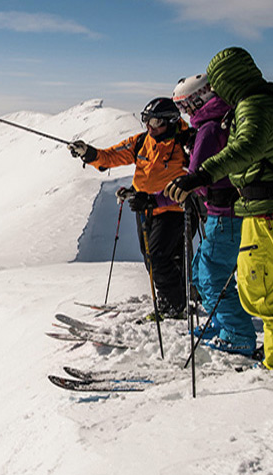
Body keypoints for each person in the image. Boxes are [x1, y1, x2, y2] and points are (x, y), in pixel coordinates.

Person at [165, 47, 273, 378]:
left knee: (263, 293)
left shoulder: (254, 105)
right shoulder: (272, 100)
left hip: (272, 215)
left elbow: (246, 147)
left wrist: (201, 175)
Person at [69, 98, 194, 320]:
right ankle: (179, 298)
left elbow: (196, 181)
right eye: (147, 120)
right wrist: (88, 153)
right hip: (144, 209)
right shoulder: (142, 142)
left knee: (159, 256)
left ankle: (175, 305)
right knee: (152, 258)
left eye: (156, 122)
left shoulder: (186, 144)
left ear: (171, 121)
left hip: (174, 210)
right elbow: (112, 155)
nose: (150, 127)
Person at [171, 74, 257, 356]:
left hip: (225, 215)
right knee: (200, 271)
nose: (186, 113)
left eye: (185, 107)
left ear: (198, 99)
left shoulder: (209, 129)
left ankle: (237, 335)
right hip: (226, 213)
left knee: (213, 278)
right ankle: (221, 324)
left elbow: (197, 174)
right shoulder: (226, 120)